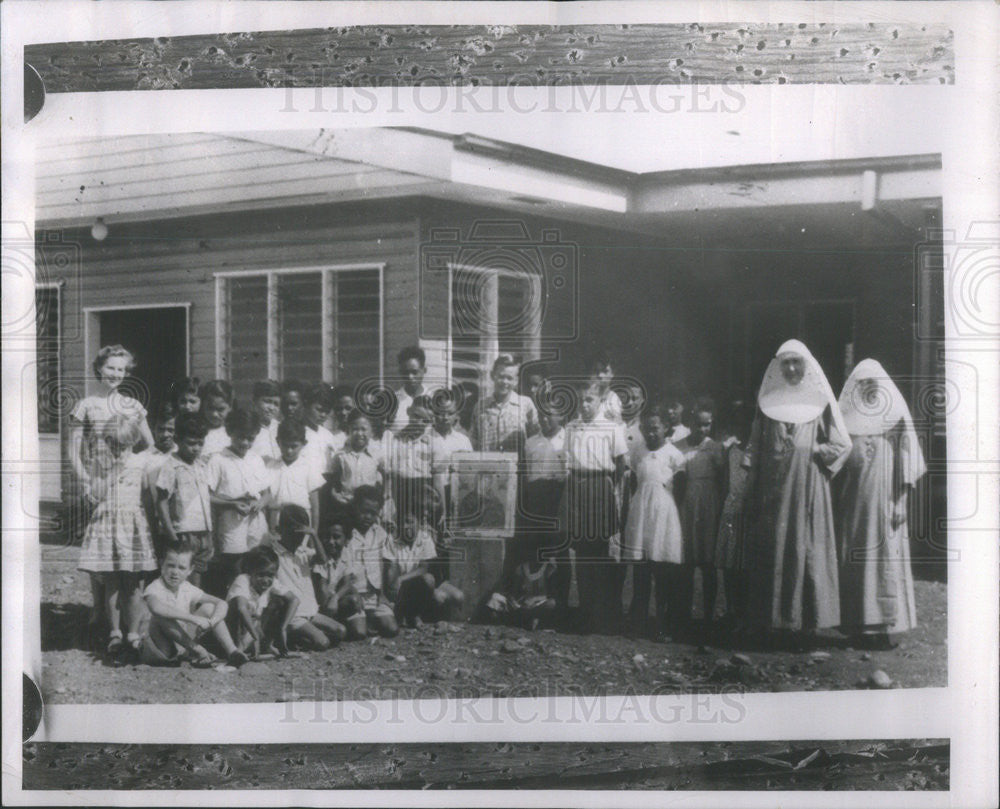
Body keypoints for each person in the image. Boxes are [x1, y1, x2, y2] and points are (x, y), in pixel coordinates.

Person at [742, 339, 852, 647]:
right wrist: (750, 485)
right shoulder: (768, 403)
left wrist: (816, 449)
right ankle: (772, 623)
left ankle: (806, 627)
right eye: (786, 363)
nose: (791, 368)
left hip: (807, 490)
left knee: (805, 550)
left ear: (806, 366)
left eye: (796, 363)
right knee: (774, 550)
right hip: (773, 492)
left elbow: (842, 443)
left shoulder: (820, 402)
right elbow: (755, 445)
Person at [836, 359, 927, 650]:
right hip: (855, 504)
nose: (868, 389)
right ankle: (857, 626)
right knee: (856, 562)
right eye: (863, 384)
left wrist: (902, 500)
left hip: (885, 502)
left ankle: (884, 629)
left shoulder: (895, 417)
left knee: (885, 561)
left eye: (873, 384)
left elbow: (908, 458)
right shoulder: (847, 419)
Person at [77, 415, 159, 658]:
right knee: (111, 582)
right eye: (114, 445)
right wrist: (111, 471)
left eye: (124, 445)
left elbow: (147, 495)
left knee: (132, 583)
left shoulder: (141, 462)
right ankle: (114, 632)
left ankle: (133, 633)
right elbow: (94, 496)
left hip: (131, 527)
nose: (119, 451)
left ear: (133, 442)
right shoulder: (101, 462)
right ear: (107, 442)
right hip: (108, 526)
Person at [555, 382, 627, 633]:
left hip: (600, 487)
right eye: (581, 400)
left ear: (600, 401)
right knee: (582, 551)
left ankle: (601, 612)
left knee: (599, 550)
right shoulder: (572, 427)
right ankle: (585, 610)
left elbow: (620, 465)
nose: (585, 405)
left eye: (589, 400)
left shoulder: (611, 428)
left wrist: (606, 490)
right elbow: (568, 461)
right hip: (577, 485)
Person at [621, 403, 687, 640]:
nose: (651, 433)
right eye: (646, 429)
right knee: (641, 571)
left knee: (662, 572)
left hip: (663, 514)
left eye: (655, 429)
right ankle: (637, 623)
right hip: (641, 512)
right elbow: (633, 484)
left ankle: (661, 624)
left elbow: (679, 490)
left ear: (666, 428)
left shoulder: (674, 455)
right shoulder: (637, 451)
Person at [140, 541, 247, 668]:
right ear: (161, 564)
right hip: (158, 648)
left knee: (209, 607)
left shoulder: (187, 587)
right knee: (162, 616)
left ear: (190, 570)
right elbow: (156, 608)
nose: (175, 572)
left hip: (182, 644)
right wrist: (194, 619)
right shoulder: (155, 587)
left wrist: (212, 622)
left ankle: (233, 652)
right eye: (170, 566)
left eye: (181, 568)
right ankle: (198, 650)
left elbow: (221, 603)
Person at [204, 408, 270, 596]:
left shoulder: (256, 459)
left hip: (256, 522)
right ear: (229, 432)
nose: (245, 443)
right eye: (241, 437)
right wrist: (231, 504)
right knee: (235, 568)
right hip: (231, 523)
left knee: (257, 566)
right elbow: (207, 495)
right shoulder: (218, 460)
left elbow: (267, 493)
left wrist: (260, 503)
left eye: (250, 438)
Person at [674, 398, 727, 626]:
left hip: (709, 502)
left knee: (707, 562)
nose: (702, 429)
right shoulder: (679, 446)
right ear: (690, 422)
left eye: (707, 424)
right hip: (687, 501)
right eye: (698, 424)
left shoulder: (715, 447)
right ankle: (683, 613)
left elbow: (723, 478)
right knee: (686, 561)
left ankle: (708, 615)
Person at [267, 505, 346, 650]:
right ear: (281, 531)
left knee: (341, 631)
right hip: (292, 614)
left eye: (301, 534)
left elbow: (323, 560)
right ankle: (290, 637)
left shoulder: (302, 552)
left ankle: (299, 637)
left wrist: (314, 535)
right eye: (293, 534)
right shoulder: (274, 553)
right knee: (323, 643)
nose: (297, 539)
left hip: (310, 610)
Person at [155, 413, 213, 587]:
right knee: (179, 575)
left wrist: (210, 532)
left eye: (200, 443)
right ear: (178, 440)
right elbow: (161, 502)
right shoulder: (171, 465)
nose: (196, 448)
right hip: (183, 531)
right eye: (191, 443)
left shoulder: (201, 465)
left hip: (203, 531)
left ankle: (192, 610)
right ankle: (176, 611)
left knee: (197, 576)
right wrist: (171, 534)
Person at [383, 508, 464, 627]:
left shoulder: (425, 538)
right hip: (403, 589)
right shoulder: (392, 539)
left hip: (417, 582)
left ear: (419, 523)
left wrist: (401, 579)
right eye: (402, 523)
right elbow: (391, 575)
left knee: (458, 596)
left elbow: (424, 568)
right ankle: (414, 615)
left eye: (410, 522)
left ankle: (420, 612)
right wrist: (397, 580)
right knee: (434, 591)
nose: (406, 526)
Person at [714, 398, 754, 631]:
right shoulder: (731, 451)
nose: (741, 428)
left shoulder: (758, 452)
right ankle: (731, 609)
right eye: (737, 423)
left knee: (746, 566)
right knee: (729, 565)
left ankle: (745, 613)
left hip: (749, 512)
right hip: (731, 509)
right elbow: (725, 481)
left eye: (745, 423)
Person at [341, 486, 399, 638]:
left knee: (391, 629)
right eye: (363, 512)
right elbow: (343, 569)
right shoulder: (347, 534)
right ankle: (352, 617)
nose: (367, 517)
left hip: (374, 595)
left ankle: (371, 616)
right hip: (353, 593)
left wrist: (384, 593)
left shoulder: (380, 534)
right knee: (359, 633)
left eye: (372, 513)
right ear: (355, 508)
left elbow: (390, 563)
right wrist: (352, 592)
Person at [226, 544, 299, 658]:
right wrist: (255, 637)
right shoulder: (243, 579)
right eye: (261, 575)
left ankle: (266, 645)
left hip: (253, 629)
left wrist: (282, 628)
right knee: (242, 607)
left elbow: (294, 600)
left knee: (279, 601)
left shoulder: (272, 582)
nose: (266, 580)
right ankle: (237, 649)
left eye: (270, 575)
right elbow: (241, 608)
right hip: (234, 630)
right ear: (251, 571)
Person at [521, 405, 567, 568]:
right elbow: (527, 475)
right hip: (537, 499)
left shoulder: (569, 439)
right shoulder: (530, 443)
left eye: (549, 415)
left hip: (560, 497)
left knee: (559, 548)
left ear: (561, 416)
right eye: (540, 416)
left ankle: (559, 592)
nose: (544, 419)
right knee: (537, 547)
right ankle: (537, 590)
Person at [325, 410, 384, 527]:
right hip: (346, 505)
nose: (359, 433)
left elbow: (384, 481)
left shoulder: (377, 455)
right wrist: (335, 495)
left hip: (367, 509)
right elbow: (332, 480)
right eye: (355, 429)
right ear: (349, 430)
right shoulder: (341, 455)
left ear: (371, 431)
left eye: (364, 429)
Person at [471, 353, 539, 453]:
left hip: (518, 467)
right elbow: (474, 443)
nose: (504, 382)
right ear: (492, 375)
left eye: (509, 378)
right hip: (487, 466)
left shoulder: (526, 404)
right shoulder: (480, 407)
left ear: (516, 380)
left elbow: (536, 440)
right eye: (501, 376)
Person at [266, 417, 324, 530]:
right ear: (278, 442)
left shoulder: (309, 467)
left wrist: (314, 534)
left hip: (301, 523)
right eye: (285, 445)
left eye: (294, 446)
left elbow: (315, 506)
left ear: (303, 443)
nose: (289, 451)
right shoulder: (270, 467)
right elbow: (267, 500)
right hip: (276, 522)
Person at [387, 395, 435, 527]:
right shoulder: (395, 440)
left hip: (424, 493)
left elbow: (438, 478)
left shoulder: (432, 443)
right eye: (416, 416)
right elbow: (390, 473)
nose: (419, 422)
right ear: (408, 411)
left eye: (425, 420)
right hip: (400, 492)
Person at [428, 386, 474, 513]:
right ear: (433, 412)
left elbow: (470, 471)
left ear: (457, 414)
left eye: (450, 413)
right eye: (441, 413)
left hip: (457, 495)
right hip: (431, 496)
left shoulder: (463, 440)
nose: (445, 417)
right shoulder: (425, 439)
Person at [485, 558, 557, 630]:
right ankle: (503, 624)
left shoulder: (549, 568)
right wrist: (513, 600)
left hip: (538, 603)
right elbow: (514, 590)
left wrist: (534, 599)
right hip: (522, 603)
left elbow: (551, 594)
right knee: (495, 597)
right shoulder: (522, 568)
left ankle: (531, 620)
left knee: (551, 603)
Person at [388, 346, 438, 433]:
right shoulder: (393, 401)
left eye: (414, 372)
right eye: (406, 372)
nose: (410, 377)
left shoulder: (434, 399)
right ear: (400, 372)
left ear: (424, 370)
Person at [302, 382, 339, 473]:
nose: (323, 415)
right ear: (307, 405)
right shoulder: (298, 432)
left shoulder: (327, 435)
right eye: (319, 409)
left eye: (327, 411)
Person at [198, 379, 235, 457]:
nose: (214, 414)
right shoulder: (196, 431)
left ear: (230, 406)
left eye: (220, 409)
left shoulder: (234, 433)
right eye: (210, 408)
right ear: (203, 405)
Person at [249, 380, 282, 463]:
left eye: (276, 404)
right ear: (254, 401)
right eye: (267, 401)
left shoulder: (281, 428)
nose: (271, 408)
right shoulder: (247, 428)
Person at [588, 350, 623, 423]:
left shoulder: (614, 401)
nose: (600, 375)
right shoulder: (585, 396)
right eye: (597, 371)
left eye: (605, 371)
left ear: (612, 374)